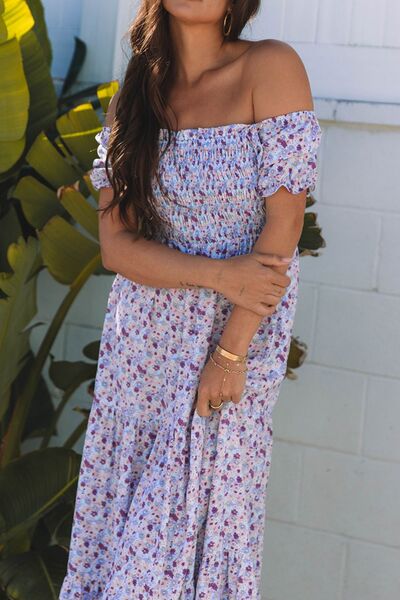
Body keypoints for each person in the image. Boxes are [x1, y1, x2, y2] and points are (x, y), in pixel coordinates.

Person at [59, 0, 322, 598]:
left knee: (194, 544)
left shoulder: (271, 67)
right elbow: (117, 248)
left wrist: (230, 354)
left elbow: (283, 230)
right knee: (123, 552)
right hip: (140, 356)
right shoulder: (135, 98)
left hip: (230, 348)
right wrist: (221, 275)